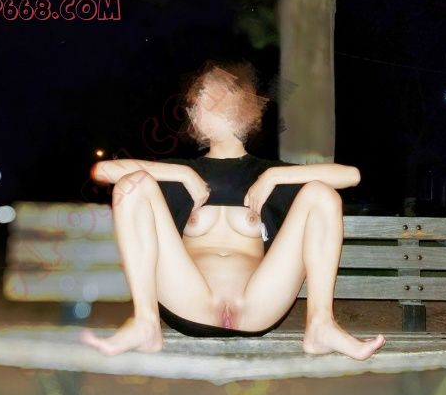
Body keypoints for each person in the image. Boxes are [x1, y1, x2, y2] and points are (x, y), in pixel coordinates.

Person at [81, 60, 386, 360]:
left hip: (258, 306)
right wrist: (181, 173)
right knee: (132, 185)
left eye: (215, 97)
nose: (203, 106)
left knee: (322, 194)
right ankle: (145, 323)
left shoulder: (271, 175)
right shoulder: (179, 173)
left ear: (244, 107)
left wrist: (275, 176)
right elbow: (104, 171)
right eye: (200, 101)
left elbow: (350, 176)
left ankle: (321, 325)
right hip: (189, 302)